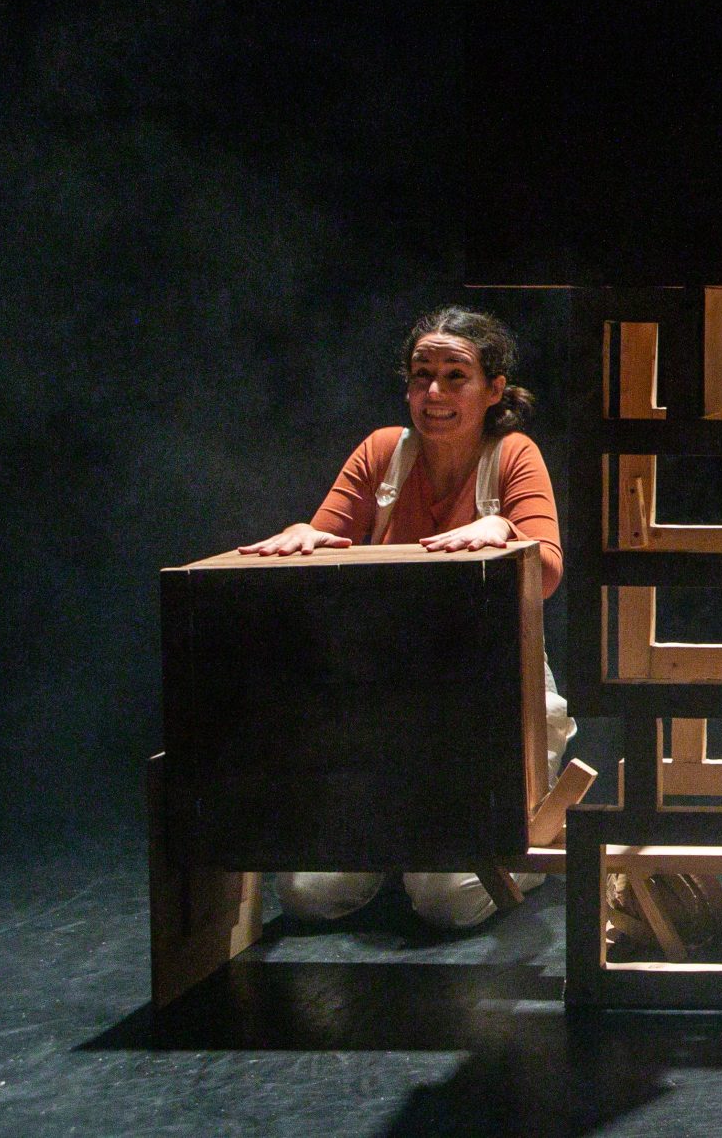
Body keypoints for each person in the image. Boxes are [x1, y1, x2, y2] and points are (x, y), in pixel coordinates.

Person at [239, 305, 575, 931]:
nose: (434, 393)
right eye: (423, 375)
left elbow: (549, 572)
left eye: (455, 375)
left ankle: (517, 846)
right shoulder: (382, 452)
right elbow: (325, 540)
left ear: (493, 389)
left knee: (448, 901)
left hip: (487, 700)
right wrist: (301, 535)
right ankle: (401, 844)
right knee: (311, 893)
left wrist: (506, 531)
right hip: (387, 700)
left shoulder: (511, 454)